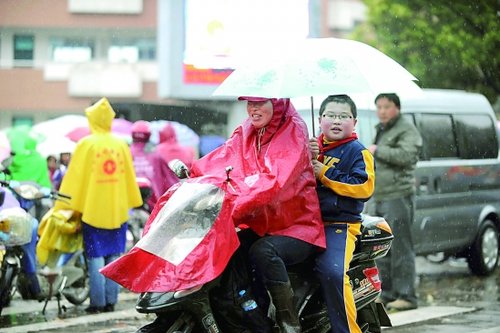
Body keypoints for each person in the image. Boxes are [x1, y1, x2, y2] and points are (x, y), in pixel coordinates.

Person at [124, 97, 326, 333]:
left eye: (260, 103)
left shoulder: (292, 130)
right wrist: (196, 175)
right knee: (225, 250)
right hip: (261, 222)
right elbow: (224, 156)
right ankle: (245, 318)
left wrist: (233, 205)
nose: (253, 108)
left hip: (296, 225)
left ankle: (288, 322)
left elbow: (273, 182)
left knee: (263, 252)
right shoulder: (249, 128)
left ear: (277, 102)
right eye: (250, 103)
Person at [55, 97, 142, 314]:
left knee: (95, 257)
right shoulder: (121, 144)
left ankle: (97, 303)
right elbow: (129, 177)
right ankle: (111, 301)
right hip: (118, 210)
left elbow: (75, 179)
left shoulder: (86, 144)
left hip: (92, 211)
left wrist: (66, 205)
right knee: (114, 256)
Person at [309, 95, 375, 333]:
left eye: (343, 116)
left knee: (332, 272)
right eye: (331, 115)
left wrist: (325, 173)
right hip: (305, 222)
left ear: (354, 122)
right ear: (320, 119)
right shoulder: (312, 147)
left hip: (340, 224)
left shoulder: (358, 152)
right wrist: (306, 158)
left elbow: (364, 187)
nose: (336, 121)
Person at [366, 93, 422, 311]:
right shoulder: (382, 129)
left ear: (396, 108)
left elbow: (407, 156)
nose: (382, 111)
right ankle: (387, 293)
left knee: (400, 247)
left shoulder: (407, 129)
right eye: (379, 107)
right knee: (381, 248)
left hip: (398, 195)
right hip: (378, 195)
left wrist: (379, 150)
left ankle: (407, 296)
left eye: (386, 106)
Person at [130, 120, 179, 209]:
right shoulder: (156, 154)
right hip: (153, 204)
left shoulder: (125, 152)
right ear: (149, 135)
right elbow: (170, 180)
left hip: (128, 201)